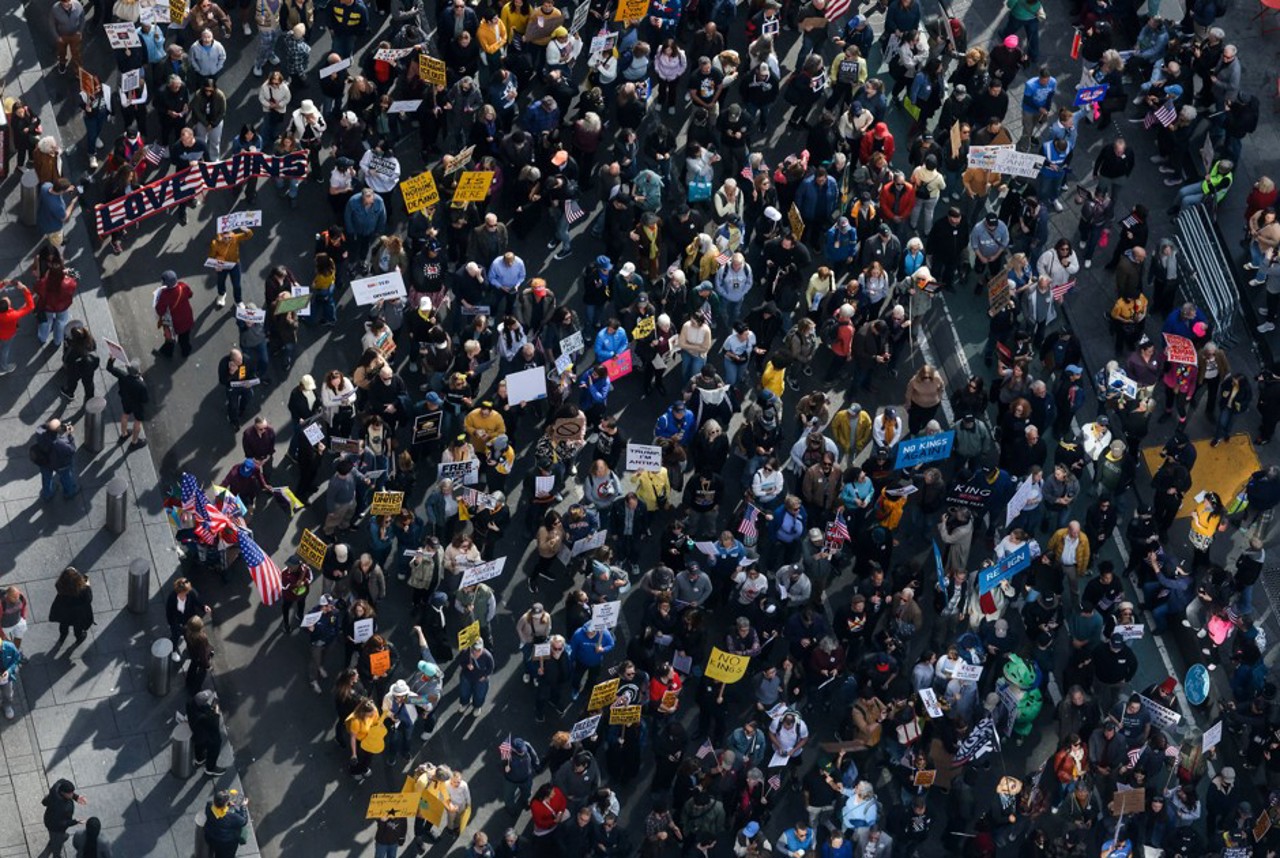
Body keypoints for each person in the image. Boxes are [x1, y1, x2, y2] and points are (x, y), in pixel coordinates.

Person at [41, 779, 87, 858]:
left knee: (56, 837)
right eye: (70, 793)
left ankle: (56, 839)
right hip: (55, 828)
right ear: (63, 793)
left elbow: (62, 781)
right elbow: (61, 823)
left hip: (51, 821)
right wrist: (75, 821)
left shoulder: (57, 787)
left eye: (72, 792)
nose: (72, 795)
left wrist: (76, 797)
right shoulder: (60, 807)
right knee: (57, 845)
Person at [203, 789, 250, 858]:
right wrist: (243, 806)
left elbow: (217, 810)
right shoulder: (231, 817)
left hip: (211, 837)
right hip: (226, 843)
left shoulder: (209, 806)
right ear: (224, 804)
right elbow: (244, 821)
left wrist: (227, 804)